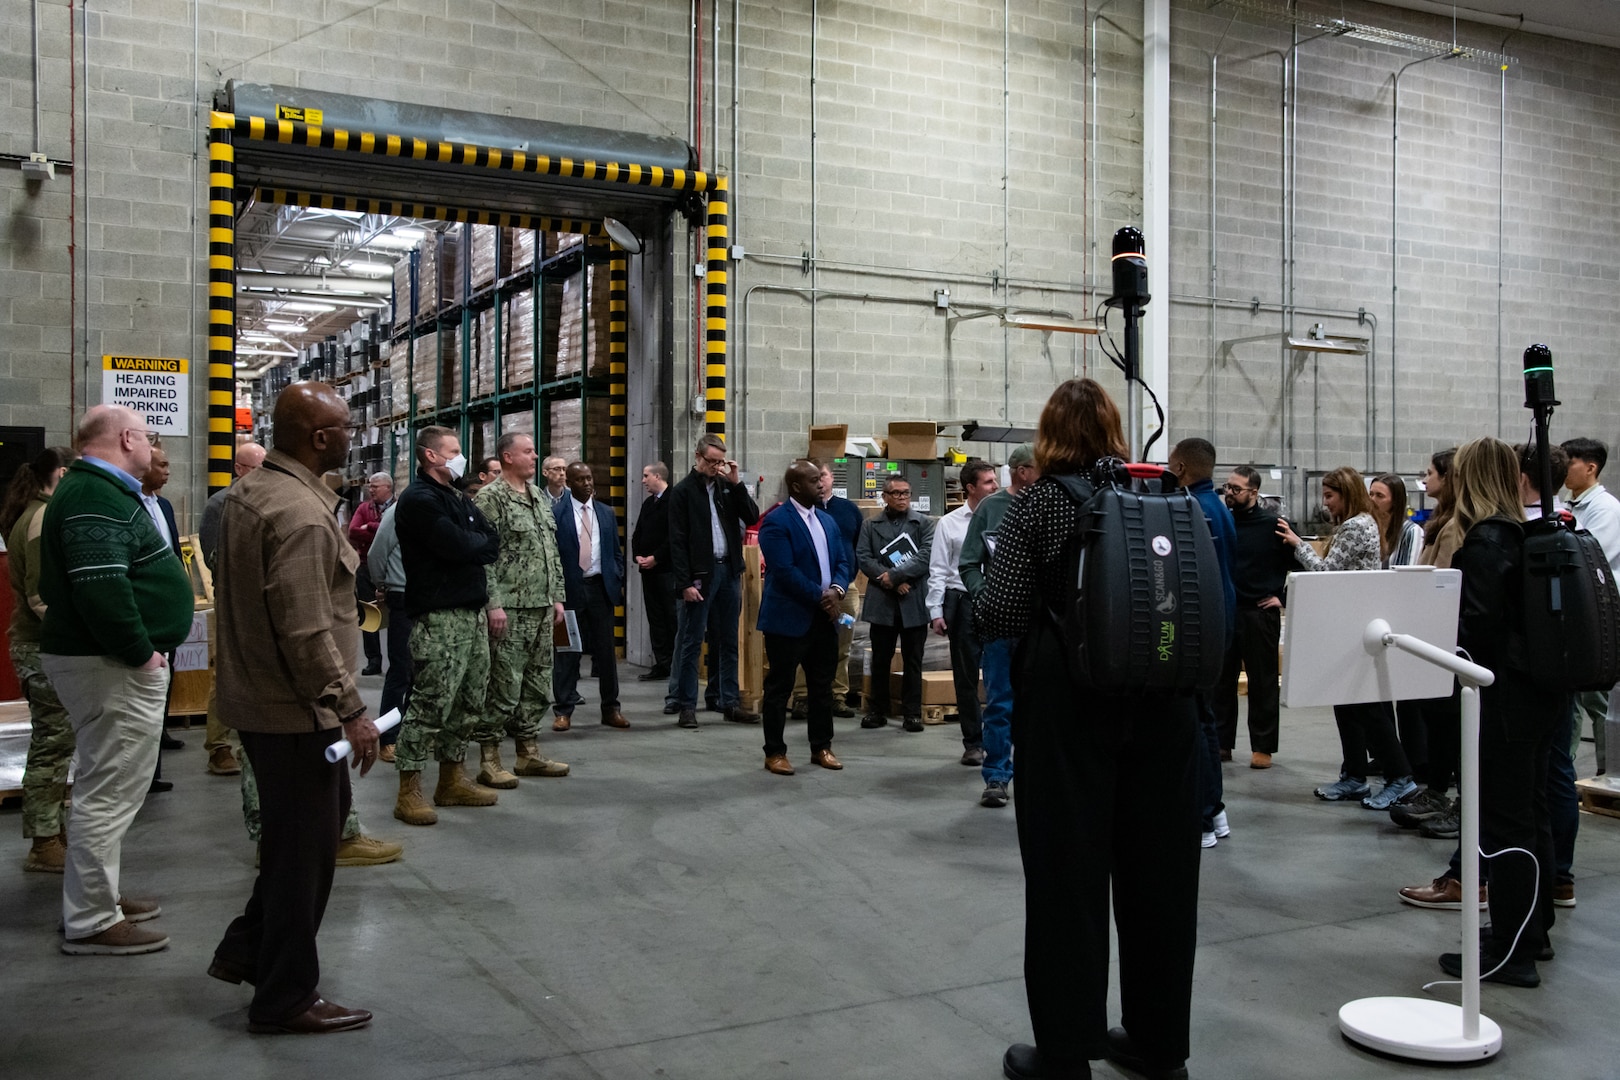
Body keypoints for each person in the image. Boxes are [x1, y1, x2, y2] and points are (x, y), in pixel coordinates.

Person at [975, 378, 1199, 1080]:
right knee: (1162, 881)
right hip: (1164, 704)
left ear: (1048, 435)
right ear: (1113, 430)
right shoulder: (1163, 494)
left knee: (1066, 880)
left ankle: (1067, 1053)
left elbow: (1001, 613)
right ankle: (1159, 1046)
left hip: (1070, 711)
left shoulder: (1040, 502)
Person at [207, 381, 379, 1034]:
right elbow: (306, 631)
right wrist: (351, 710)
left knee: (296, 846)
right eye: (345, 427)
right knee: (304, 860)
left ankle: (248, 949)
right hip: (297, 712)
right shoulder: (301, 514)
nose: (351, 436)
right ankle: (284, 997)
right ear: (319, 437)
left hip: (266, 702)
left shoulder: (254, 492)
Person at [40, 405, 194, 955]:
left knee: (106, 786)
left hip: (106, 662)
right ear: (128, 438)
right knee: (108, 792)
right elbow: (101, 587)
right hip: (112, 665)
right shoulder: (94, 496)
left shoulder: (97, 491)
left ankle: (94, 897)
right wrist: (142, 654)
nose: (154, 447)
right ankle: (92, 919)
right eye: (148, 437)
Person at [1432, 438, 1565, 987]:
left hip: (1504, 700)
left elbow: (1479, 630)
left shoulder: (1486, 540)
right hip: (1537, 695)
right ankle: (1532, 932)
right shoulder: (1525, 533)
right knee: (1531, 814)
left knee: (1506, 824)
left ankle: (1514, 952)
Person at [1279, 467, 1415, 810]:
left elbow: (1326, 573)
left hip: (1355, 627)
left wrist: (1298, 545)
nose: (1325, 503)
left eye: (1330, 496)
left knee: (1366, 708)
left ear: (1347, 494)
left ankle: (1400, 777)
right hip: (1348, 625)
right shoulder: (1360, 523)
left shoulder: (1356, 526)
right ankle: (1354, 775)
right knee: (1347, 705)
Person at [392, 425, 503, 826]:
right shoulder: (418, 500)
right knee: (431, 703)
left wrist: (473, 544)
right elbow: (458, 545)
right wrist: (473, 544)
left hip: (471, 614)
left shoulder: (456, 497)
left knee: (470, 700)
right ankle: (409, 790)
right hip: (440, 617)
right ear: (431, 456)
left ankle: (452, 779)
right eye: (454, 451)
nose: (460, 458)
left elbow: (490, 540)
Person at [471, 432, 570, 784]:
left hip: (541, 606)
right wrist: (493, 604)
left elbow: (550, 550)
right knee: (503, 685)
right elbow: (483, 557)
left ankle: (528, 752)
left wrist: (557, 596)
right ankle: (489, 758)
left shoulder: (538, 496)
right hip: (510, 610)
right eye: (528, 451)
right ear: (508, 457)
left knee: (538, 684)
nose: (535, 456)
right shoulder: (490, 498)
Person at [4, 446, 79, 873]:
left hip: (42, 647)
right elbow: (40, 597)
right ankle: (44, 839)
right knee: (51, 745)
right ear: (63, 474)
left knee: (56, 743)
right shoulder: (42, 518)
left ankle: (52, 831)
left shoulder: (38, 512)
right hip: (41, 648)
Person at [756, 461, 854, 775]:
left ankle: (821, 747)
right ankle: (775, 752)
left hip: (824, 619)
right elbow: (784, 572)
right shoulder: (777, 522)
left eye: (822, 479)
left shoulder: (827, 520)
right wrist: (823, 598)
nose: (822, 485)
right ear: (797, 486)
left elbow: (843, 560)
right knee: (779, 688)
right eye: (814, 480)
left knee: (822, 687)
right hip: (788, 619)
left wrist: (837, 589)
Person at [1168, 438, 1236, 851]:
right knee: (1205, 719)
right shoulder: (1218, 507)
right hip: (1220, 622)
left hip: (1200, 629)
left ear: (1180, 468)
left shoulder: (1191, 509)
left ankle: (1203, 817)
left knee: (1194, 723)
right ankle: (1216, 810)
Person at [665, 435, 761, 727]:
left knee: (729, 640)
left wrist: (736, 483)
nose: (716, 467)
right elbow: (677, 542)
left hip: (729, 572)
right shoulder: (682, 492)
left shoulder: (726, 487)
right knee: (692, 642)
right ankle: (686, 706)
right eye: (711, 461)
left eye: (720, 462)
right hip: (700, 577)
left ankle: (729, 702)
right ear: (698, 456)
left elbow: (752, 516)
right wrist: (684, 584)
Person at [960, 443, 1036, 809]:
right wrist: (985, 595)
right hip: (1001, 625)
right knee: (1000, 703)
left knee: (1038, 705)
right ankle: (996, 777)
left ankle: (1036, 776)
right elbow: (968, 563)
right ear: (1023, 471)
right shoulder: (991, 509)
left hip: (1040, 626)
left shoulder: (1046, 505)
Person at [1213, 465, 1294, 770]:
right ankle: (1221, 742)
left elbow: (1301, 565)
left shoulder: (1274, 526)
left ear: (1254, 492)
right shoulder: (1224, 522)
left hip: (1259, 613)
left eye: (1236, 489)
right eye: (1228, 487)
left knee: (1263, 683)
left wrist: (1282, 598)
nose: (1230, 493)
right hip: (1228, 610)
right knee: (1222, 681)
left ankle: (1263, 746)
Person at [197, 441, 265, 777]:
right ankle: (218, 746)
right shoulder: (220, 505)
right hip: (234, 600)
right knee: (226, 671)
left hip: (265, 602)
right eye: (256, 468)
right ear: (239, 469)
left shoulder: (269, 502)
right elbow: (215, 558)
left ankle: (253, 740)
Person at [926, 459, 998, 766]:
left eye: (995, 480)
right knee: (966, 675)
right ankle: (973, 743)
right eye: (988, 482)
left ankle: (999, 741)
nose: (995, 486)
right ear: (970, 488)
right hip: (962, 600)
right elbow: (938, 569)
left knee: (999, 672)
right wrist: (935, 610)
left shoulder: (1004, 515)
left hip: (997, 602)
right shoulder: (950, 523)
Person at [552, 461, 629, 731]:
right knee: (566, 652)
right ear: (569, 483)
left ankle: (611, 709)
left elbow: (615, 552)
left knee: (606, 653)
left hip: (600, 588)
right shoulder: (556, 514)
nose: (587, 483)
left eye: (589, 478)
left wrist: (616, 576)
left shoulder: (606, 513)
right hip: (569, 591)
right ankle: (563, 710)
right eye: (580, 479)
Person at [857, 475, 935, 731]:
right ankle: (877, 710)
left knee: (913, 660)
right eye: (896, 493)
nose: (902, 498)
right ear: (885, 497)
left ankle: (912, 713)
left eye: (906, 493)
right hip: (883, 600)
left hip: (913, 598)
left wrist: (897, 576)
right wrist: (889, 580)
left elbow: (926, 556)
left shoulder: (923, 523)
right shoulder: (870, 525)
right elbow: (864, 558)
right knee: (881, 659)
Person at [1561, 436, 1618, 776]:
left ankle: (1608, 775)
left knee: (1599, 702)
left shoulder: (1605, 509)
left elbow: (1589, 559)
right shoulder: (1570, 505)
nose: (1563, 469)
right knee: (1571, 701)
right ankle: (1564, 776)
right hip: (1578, 615)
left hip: (1600, 618)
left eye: (1569, 463)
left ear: (1591, 467)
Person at [368, 500, 410, 762]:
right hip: (403, 595)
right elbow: (376, 554)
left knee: (423, 672)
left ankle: (412, 733)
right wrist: (382, 584)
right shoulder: (399, 510)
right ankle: (389, 737)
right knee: (401, 670)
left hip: (430, 597)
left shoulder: (441, 505)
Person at [631, 461, 675, 681]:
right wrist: (637, 555)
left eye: (646, 476)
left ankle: (675, 664)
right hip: (648, 572)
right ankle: (662, 663)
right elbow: (638, 532)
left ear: (657, 476)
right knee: (655, 618)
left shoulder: (674, 501)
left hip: (667, 571)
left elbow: (674, 536)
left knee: (671, 617)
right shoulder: (649, 503)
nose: (643, 480)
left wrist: (657, 558)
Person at [347, 472, 394, 677]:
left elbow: (397, 534)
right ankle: (374, 659)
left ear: (388, 488)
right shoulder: (364, 508)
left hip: (392, 568)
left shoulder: (397, 507)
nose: (371, 490)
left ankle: (395, 660)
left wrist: (372, 526)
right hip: (366, 567)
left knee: (395, 615)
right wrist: (380, 530)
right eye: (370, 486)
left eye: (375, 486)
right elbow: (353, 531)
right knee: (368, 612)